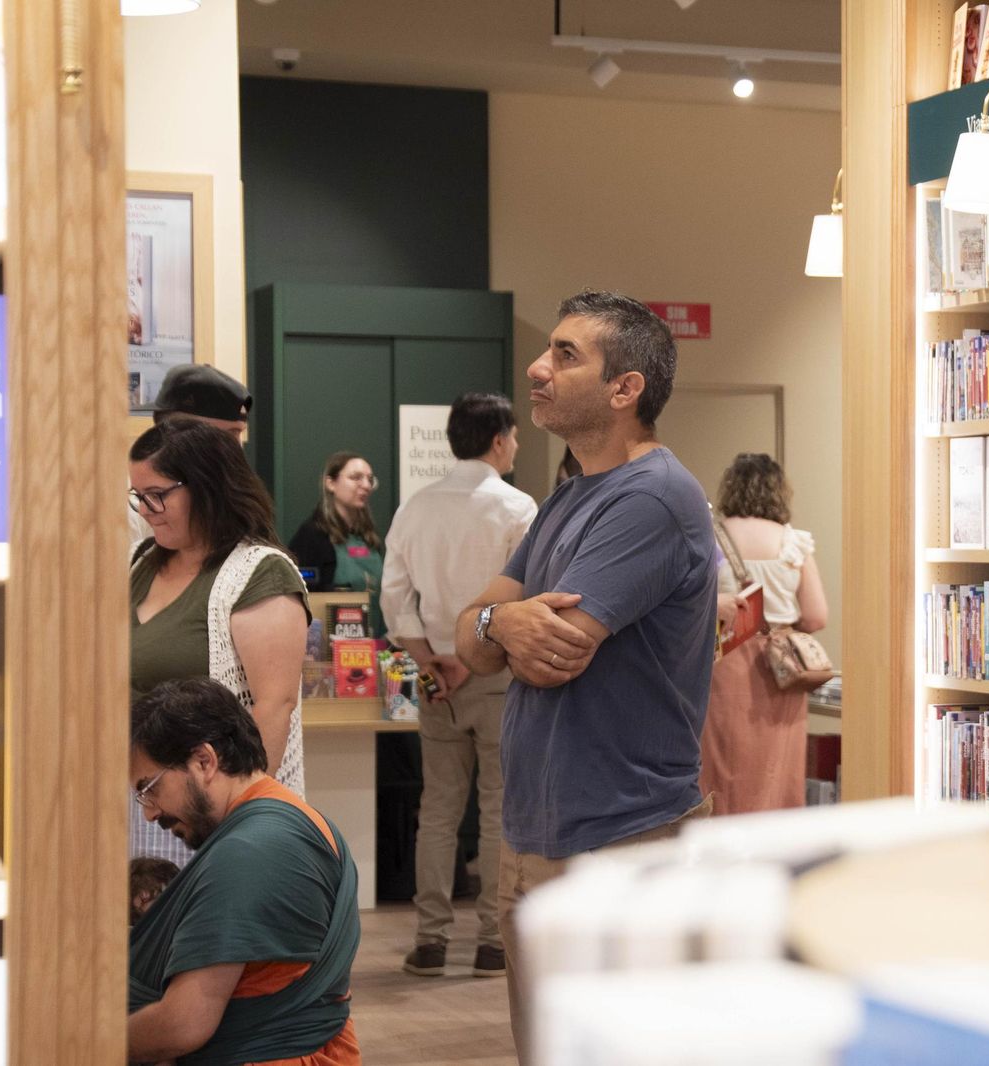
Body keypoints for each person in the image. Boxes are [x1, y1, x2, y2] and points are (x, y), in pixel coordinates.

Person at [454, 291, 717, 1057]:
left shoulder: (654, 498)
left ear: (624, 388)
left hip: (618, 835)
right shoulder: (567, 498)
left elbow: (553, 654)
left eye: (566, 355)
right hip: (538, 830)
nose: (538, 368)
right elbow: (475, 640)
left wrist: (500, 625)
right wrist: (498, 621)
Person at [380, 392, 536, 981]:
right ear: (499, 440)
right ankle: (493, 943)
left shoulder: (414, 508)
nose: (515, 445)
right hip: (498, 677)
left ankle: (430, 941)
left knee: (437, 811)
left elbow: (395, 598)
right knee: (498, 810)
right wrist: (472, 657)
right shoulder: (518, 507)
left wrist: (433, 658)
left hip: (434, 680)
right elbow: (525, 595)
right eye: (514, 436)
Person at [127, 677, 360, 1065]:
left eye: (149, 788)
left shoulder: (247, 852)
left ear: (204, 761)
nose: (149, 812)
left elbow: (183, 1025)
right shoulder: (293, 819)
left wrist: (81, 1042)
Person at [129, 417, 311, 866]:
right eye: (138, 497)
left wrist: (237, 822)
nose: (146, 510)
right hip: (141, 805)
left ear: (206, 487)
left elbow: (272, 708)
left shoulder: (258, 573)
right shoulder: (140, 564)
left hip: (209, 820)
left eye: (158, 495)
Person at [701, 453, 829, 815]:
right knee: (777, 765)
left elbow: (693, 600)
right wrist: (781, 626)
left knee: (721, 762)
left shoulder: (714, 538)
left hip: (725, 660)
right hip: (781, 669)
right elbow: (817, 616)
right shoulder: (793, 543)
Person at [129, 364, 253, 546]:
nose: (237, 449)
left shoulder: (226, 501)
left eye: (239, 434)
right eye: (229, 435)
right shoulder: (132, 513)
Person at [289, 452, 386, 635]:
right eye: (356, 478)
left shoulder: (369, 537)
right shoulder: (312, 536)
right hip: (329, 649)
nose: (366, 485)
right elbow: (301, 597)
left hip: (374, 644)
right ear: (331, 483)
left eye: (369, 479)